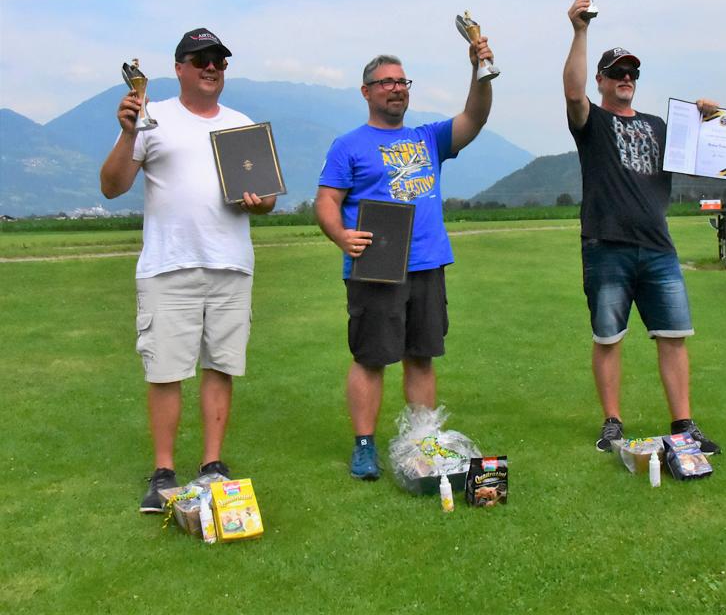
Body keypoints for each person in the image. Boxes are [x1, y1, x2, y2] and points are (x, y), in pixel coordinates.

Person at [100, 28, 276, 512]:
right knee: (165, 370)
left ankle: (213, 466)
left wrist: (260, 203)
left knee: (221, 367)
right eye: (199, 59)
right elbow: (112, 186)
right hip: (168, 263)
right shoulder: (151, 118)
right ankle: (162, 473)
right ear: (178, 68)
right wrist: (127, 131)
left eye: (218, 60)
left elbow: (266, 201)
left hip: (231, 265)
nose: (210, 67)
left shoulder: (242, 125)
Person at [315, 37, 495, 480]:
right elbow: (326, 200)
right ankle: (364, 447)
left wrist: (479, 70)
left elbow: (475, 116)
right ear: (366, 91)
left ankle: (422, 443)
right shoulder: (349, 145)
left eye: (402, 82)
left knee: (421, 355)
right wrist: (341, 235)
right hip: (376, 263)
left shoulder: (428, 137)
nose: (397, 89)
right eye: (386, 83)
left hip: (427, 261)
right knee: (370, 358)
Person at [562, 0, 721, 455]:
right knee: (607, 337)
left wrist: (713, 120)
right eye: (617, 73)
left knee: (673, 338)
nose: (626, 79)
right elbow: (573, 93)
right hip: (606, 245)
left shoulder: (659, 125)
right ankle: (612, 423)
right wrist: (580, 30)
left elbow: (710, 152)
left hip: (658, 248)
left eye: (632, 73)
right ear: (603, 80)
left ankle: (684, 426)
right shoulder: (591, 121)